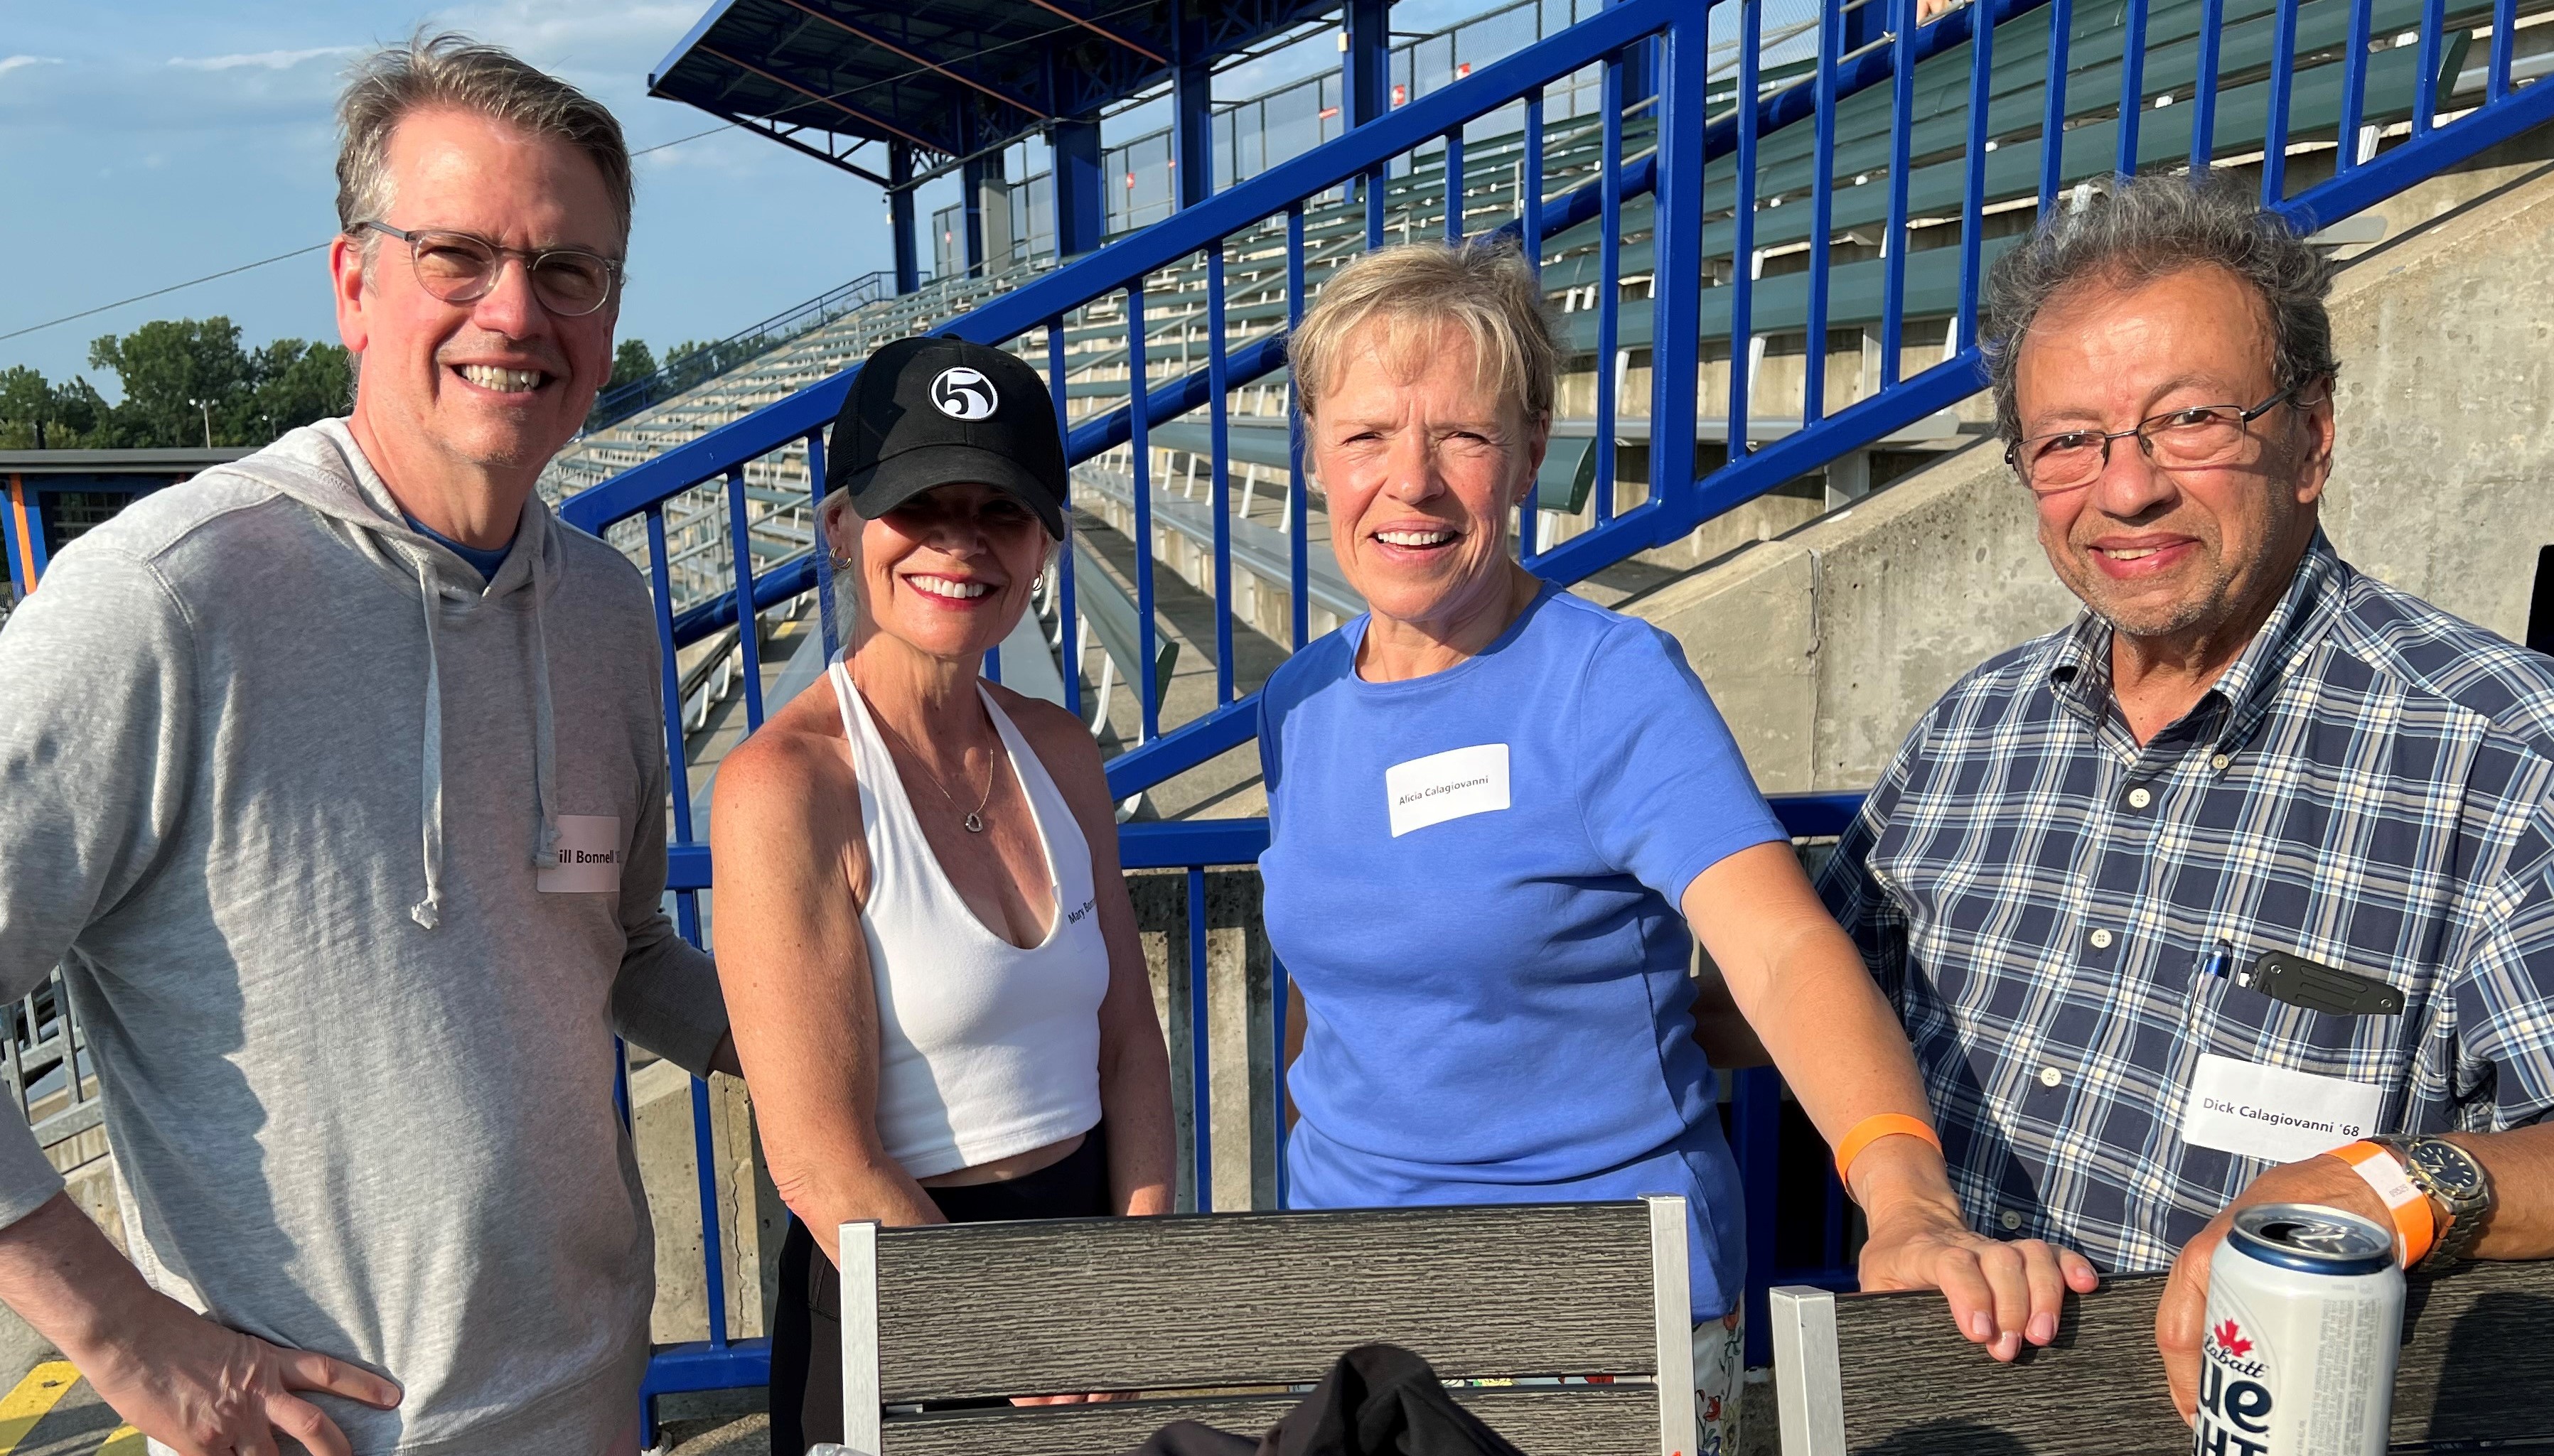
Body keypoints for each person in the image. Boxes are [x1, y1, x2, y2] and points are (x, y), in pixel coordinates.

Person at [0, 34, 734, 1456]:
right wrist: (133, 1343)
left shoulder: (598, 607)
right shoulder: (170, 594)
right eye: (459, 255)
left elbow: (627, 955)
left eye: (568, 271)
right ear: (355, 284)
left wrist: (869, 1033)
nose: (515, 313)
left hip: (592, 1410)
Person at [1253, 241, 2094, 1452]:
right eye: (1369, 435)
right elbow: (1327, 970)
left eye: (1463, 437)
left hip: (1594, 1299)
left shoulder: (1608, 684)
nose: (1413, 483)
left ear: (1531, 452)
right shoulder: (1301, 702)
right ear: (1315, 456)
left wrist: (1905, 1198)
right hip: (1350, 1277)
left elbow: (1780, 946)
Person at [1814, 170, 2554, 1421]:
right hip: (1946, 1419)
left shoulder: (2501, 751)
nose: (2127, 487)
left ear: (2311, 437)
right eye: (2067, 441)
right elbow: (1789, 998)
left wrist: (2389, 1184)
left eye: (2189, 420)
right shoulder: (1970, 729)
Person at [711, 335, 1176, 1455]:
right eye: (919, 505)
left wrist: (1140, 1275)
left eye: (999, 512)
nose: (959, 544)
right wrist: (1004, 1340)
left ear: (1042, 547)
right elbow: (822, 1156)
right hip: (897, 1284)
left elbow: (1128, 1043)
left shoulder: (1061, 751)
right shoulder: (787, 785)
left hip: (1084, 1276)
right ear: (839, 528)